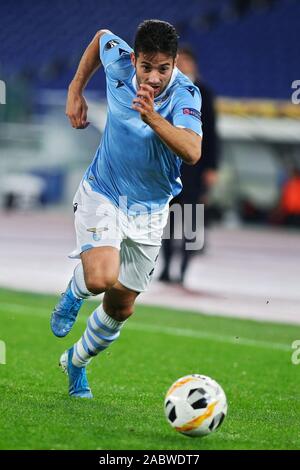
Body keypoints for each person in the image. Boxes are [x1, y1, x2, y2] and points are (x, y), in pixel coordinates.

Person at [50, 20, 202, 398]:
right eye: (146, 66)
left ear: (174, 64)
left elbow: (193, 151)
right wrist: (75, 88)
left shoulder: (186, 94)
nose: (153, 77)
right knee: (101, 278)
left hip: (151, 210)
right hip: (105, 190)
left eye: (163, 69)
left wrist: (153, 117)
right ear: (132, 59)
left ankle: (76, 363)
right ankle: (74, 291)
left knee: (121, 308)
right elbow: (100, 36)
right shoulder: (116, 60)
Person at [159, 46, 218, 284]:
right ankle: (165, 268)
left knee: (192, 222)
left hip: (195, 168)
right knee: (168, 221)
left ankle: (183, 270)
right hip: (170, 167)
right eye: (178, 62)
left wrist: (212, 167)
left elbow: (212, 134)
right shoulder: (166, 89)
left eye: (185, 62)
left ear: (193, 65)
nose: (181, 66)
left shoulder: (205, 92)